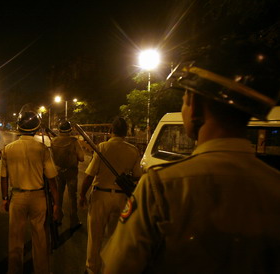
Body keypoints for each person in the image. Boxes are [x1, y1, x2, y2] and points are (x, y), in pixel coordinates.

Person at [102, 41, 280, 273]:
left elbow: (118, 267)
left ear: (194, 106)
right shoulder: (273, 186)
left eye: (184, 98)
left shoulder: (161, 187)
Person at [79, 117, 142, 274]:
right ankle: (111, 268)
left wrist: (81, 194)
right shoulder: (133, 150)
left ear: (110, 131)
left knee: (95, 236)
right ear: (125, 133)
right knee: (115, 238)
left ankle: (92, 269)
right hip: (122, 198)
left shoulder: (102, 147)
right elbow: (137, 176)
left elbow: (89, 175)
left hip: (101, 195)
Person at [0, 110, 60, 274]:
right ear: (36, 128)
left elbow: (4, 177)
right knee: (40, 238)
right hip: (38, 198)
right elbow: (51, 178)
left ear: (19, 127)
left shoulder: (8, 149)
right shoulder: (42, 149)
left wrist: (5, 198)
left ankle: (14, 270)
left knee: (15, 239)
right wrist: (56, 203)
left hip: (17, 197)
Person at [51, 120, 84, 229]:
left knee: (58, 195)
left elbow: (51, 159)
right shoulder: (74, 141)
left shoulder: (53, 141)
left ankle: (58, 217)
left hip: (58, 172)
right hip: (71, 172)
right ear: (70, 130)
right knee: (72, 197)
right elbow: (82, 158)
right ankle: (74, 220)